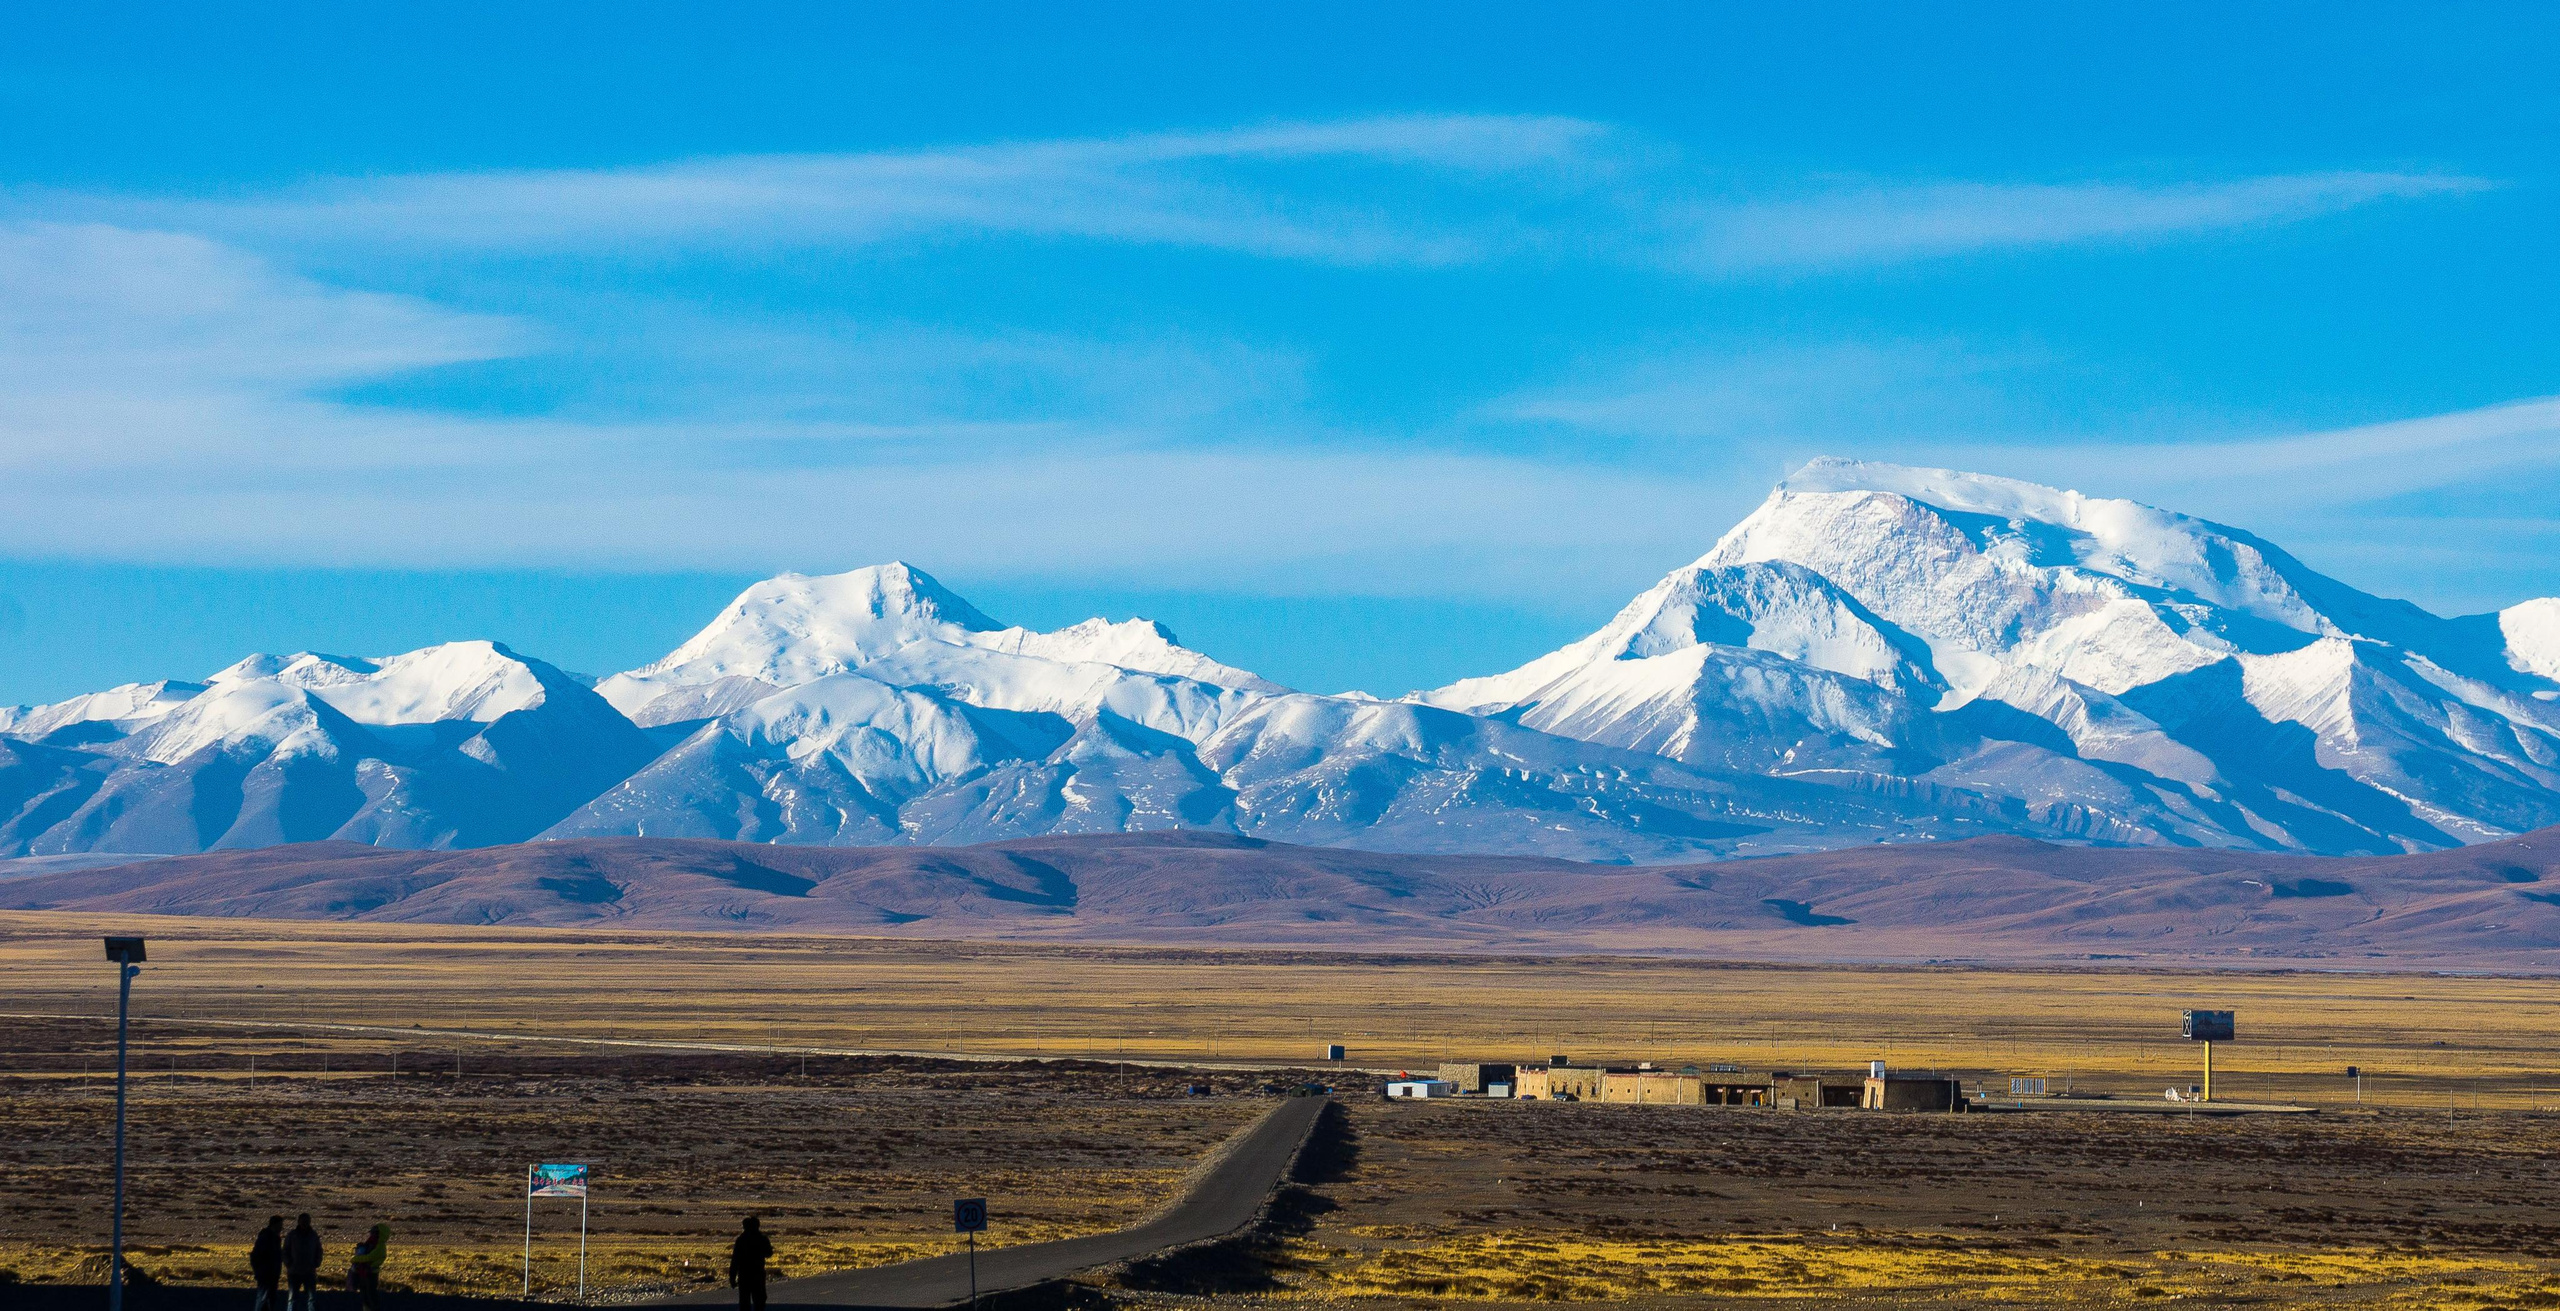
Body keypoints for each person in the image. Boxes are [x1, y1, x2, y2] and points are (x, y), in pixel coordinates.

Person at [728, 1216, 773, 1311]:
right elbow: (769, 1253)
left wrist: (732, 1277)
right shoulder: (762, 1238)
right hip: (758, 1273)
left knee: (744, 1302)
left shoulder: (741, 1240)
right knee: (759, 1301)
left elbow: (735, 1260)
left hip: (744, 1274)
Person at [283, 1214, 324, 1311]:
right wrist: (288, 1263)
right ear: (299, 1221)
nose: (305, 1223)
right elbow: (285, 1250)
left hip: (309, 1271)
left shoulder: (313, 1235)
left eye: (307, 1221)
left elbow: (319, 1250)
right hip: (294, 1271)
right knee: (292, 1298)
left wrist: (317, 1262)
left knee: (311, 1298)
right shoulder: (292, 1235)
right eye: (303, 1221)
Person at [348, 1223, 390, 1311]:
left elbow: (369, 1257)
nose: (371, 1234)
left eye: (374, 1233)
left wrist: (355, 1259)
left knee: (371, 1295)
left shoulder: (380, 1247)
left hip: (371, 1274)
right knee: (365, 1295)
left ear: (379, 1234)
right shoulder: (371, 1243)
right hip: (365, 1273)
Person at [250, 1216, 285, 1311]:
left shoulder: (273, 1237)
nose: (281, 1228)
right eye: (280, 1225)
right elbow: (256, 1256)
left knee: (268, 1299)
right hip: (266, 1274)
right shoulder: (267, 1237)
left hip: (272, 1274)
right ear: (275, 1225)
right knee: (264, 1299)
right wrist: (259, 1271)